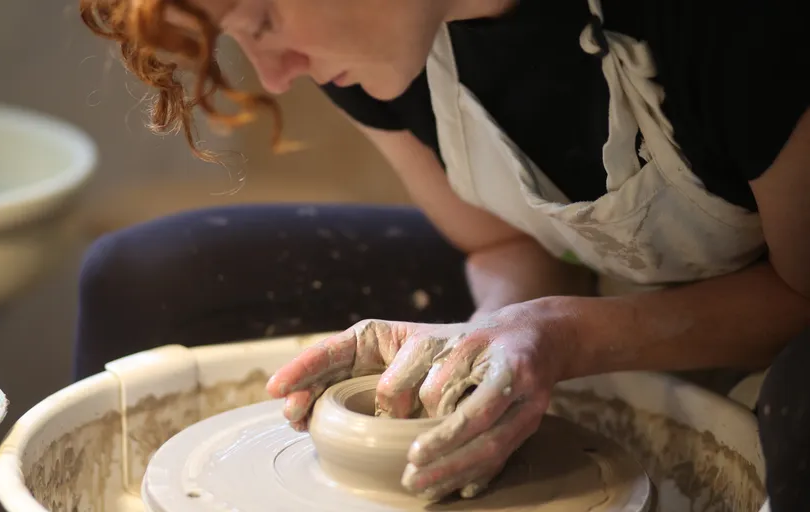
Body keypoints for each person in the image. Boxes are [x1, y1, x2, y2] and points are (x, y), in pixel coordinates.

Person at [75, 0, 809, 508]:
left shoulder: (731, 21)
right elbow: (499, 240)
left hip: (777, 308)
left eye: (264, 20)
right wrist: (482, 345)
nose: (274, 74)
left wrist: (558, 335)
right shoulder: (371, 55)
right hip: (595, 285)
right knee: (150, 277)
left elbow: (800, 290)